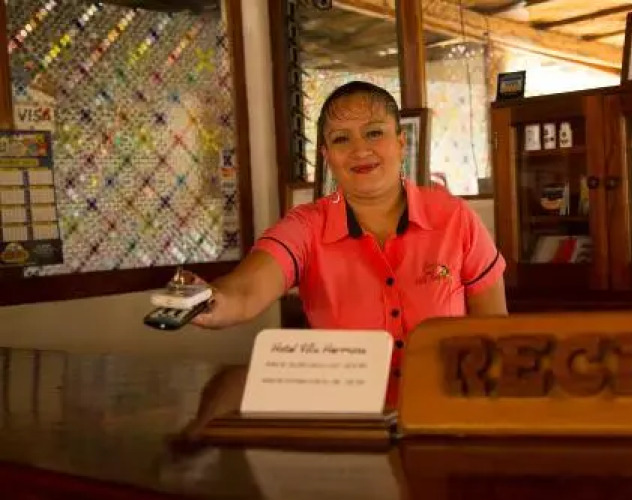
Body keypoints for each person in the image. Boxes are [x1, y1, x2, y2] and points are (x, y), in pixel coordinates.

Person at [177, 81, 507, 439]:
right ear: (327, 156)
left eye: (374, 133)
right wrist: (211, 300)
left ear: (401, 143)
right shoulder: (306, 227)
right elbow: (247, 289)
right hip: (350, 432)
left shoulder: (455, 218)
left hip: (449, 425)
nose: (360, 150)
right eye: (341, 139)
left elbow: (496, 333)